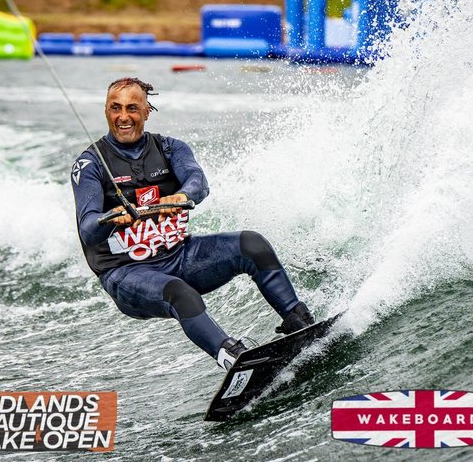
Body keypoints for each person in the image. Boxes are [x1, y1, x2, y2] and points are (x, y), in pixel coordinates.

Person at [71, 77, 314, 370]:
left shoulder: (171, 149)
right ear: (106, 111)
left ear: (147, 111)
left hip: (180, 257)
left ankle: (301, 324)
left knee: (252, 245)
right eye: (115, 108)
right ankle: (233, 359)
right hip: (126, 274)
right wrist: (111, 218)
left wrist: (181, 196)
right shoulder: (90, 164)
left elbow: (199, 183)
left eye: (133, 108)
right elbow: (87, 227)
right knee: (180, 293)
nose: (124, 117)